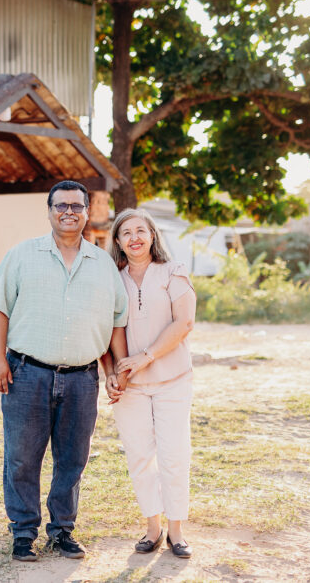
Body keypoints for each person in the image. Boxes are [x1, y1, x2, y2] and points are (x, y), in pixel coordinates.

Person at [0, 180, 129, 562]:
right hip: (27, 373)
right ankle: (23, 533)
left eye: (76, 206)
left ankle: (62, 532)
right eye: (61, 205)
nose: (68, 212)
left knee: (73, 459)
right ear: (49, 211)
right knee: (22, 458)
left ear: (87, 212)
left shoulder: (103, 265)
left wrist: (115, 368)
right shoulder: (22, 255)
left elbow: (116, 321)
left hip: (82, 378)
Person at [103, 208, 197, 558]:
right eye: (126, 233)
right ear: (117, 241)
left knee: (174, 454)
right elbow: (107, 331)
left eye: (141, 231)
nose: (134, 238)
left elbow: (184, 322)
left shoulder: (173, 272)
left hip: (172, 380)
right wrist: (112, 374)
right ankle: (152, 528)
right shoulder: (112, 278)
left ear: (153, 236)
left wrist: (146, 357)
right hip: (131, 388)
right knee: (140, 457)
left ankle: (176, 531)